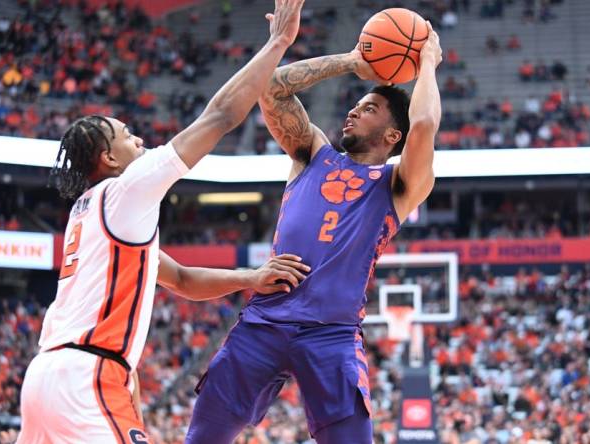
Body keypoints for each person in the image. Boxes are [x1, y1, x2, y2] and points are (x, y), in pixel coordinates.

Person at [17, 0, 308, 442]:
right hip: (87, 375)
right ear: (109, 158)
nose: (139, 139)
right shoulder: (125, 190)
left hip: (44, 378)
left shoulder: (92, 213)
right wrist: (278, 44)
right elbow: (220, 116)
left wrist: (252, 277)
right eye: (126, 136)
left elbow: (183, 280)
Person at [185, 21, 443, 444]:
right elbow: (272, 88)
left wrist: (427, 63)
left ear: (391, 135)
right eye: (356, 105)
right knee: (202, 439)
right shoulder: (312, 153)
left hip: (332, 333)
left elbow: (424, 126)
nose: (354, 111)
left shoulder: (399, 184)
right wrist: (353, 61)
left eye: (369, 109)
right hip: (264, 320)